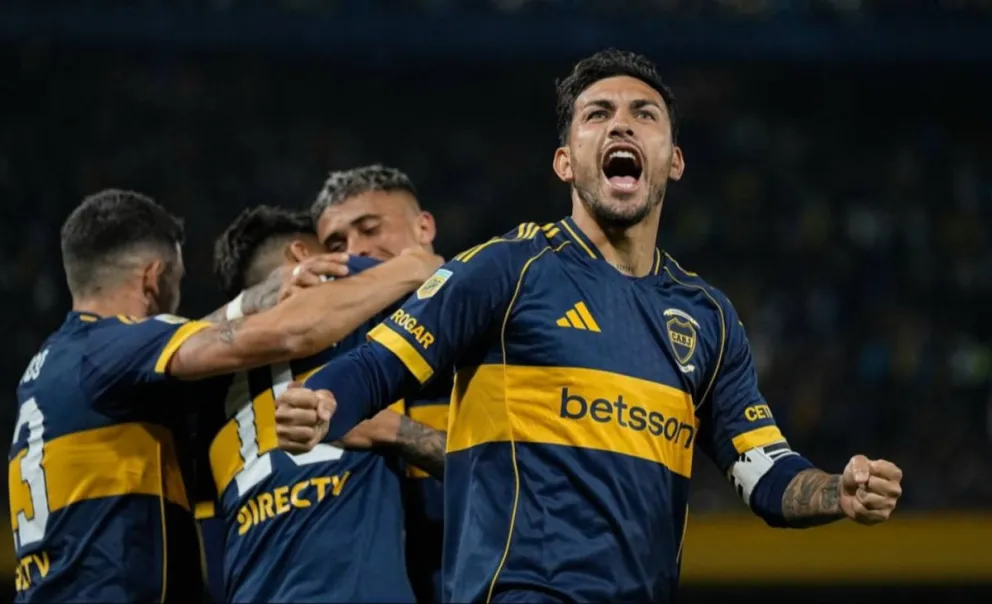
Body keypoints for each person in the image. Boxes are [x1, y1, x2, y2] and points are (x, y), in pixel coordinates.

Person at [273, 49, 905, 604]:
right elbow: (377, 364)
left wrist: (838, 492)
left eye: (643, 114)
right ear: (566, 162)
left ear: (674, 160)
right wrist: (323, 400)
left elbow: (763, 472)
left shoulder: (708, 318)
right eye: (598, 114)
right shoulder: (508, 269)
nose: (621, 123)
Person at [8, 189, 442, 602]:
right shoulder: (112, 348)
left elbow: (202, 334)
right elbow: (289, 332)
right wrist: (412, 267)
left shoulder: (61, 365)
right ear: (153, 278)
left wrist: (249, 299)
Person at [196, 204, 445, 603]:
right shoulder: (359, 294)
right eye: (334, 248)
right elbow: (438, 275)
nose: (351, 254)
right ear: (302, 255)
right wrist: (418, 261)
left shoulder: (198, 379)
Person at [308, 165, 449, 602]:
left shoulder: (490, 331)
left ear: (424, 228)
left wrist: (395, 431)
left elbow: (529, 478)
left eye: (370, 229)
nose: (356, 251)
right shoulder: (336, 364)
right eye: (337, 245)